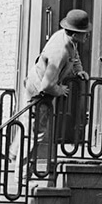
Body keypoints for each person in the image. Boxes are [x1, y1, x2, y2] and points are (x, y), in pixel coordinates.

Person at [27, 9, 88, 166]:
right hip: (39, 90)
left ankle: (14, 153)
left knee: (31, 128)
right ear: (74, 34)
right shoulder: (59, 51)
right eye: (84, 32)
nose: (87, 35)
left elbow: (75, 56)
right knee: (35, 133)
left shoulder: (69, 40)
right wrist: (60, 90)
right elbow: (46, 85)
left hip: (40, 83)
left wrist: (78, 70)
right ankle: (21, 173)